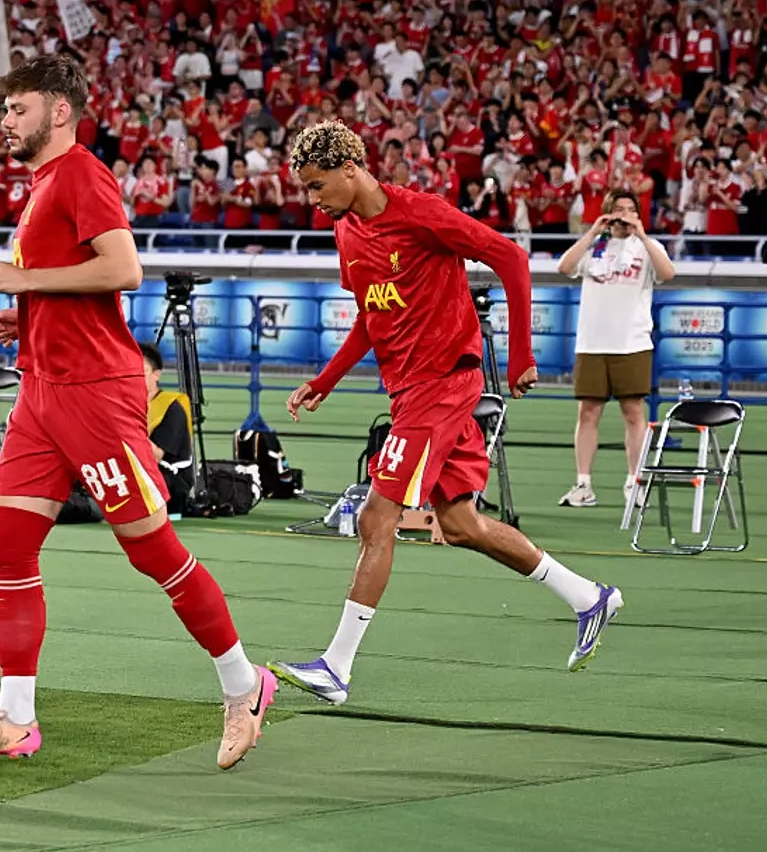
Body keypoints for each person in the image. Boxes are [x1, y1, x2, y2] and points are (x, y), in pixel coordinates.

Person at [0, 55, 275, 769]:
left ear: (60, 110)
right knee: (8, 547)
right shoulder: (41, 185)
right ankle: (15, 717)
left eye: (17, 109)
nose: (5, 122)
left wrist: (28, 280)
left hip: (96, 393)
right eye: (2, 111)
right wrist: (25, 316)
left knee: (150, 549)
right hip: (42, 390)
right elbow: (75, 286)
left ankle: (245, 685)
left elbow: (123, 269)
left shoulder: (82, 172)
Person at [270, 121, 624, 707]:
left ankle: (336, 666)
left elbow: (510, 257)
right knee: (461, 525)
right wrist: (325, 381)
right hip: (410, 392)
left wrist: (522, 356)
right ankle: (589, 596)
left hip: (442, 386)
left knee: (376, 516)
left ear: (350, 169)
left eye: (316, 185)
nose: (312, 199)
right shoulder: (347, 233)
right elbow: (370, 315)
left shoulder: (420, 214)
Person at [555, 190, 675, 507]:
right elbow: (564, 267)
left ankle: (634, 483)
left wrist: (643, 234)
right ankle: (583, 485)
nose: (624, 215)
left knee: (634, 414)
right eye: (618, 210)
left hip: (632, 343)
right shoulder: (595, 246)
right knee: (588, 412)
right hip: (592, 342)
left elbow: (668, 274)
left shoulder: (649, 247)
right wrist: (593, 231)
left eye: (630, 209)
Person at [139, 342, 195, 516]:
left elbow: (156, 456)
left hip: (169, 483)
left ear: (157, 375)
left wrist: (126, 428)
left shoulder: (171, 407)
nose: (135, 376)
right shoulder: (126, 403)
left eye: (142, 371)